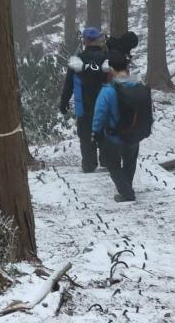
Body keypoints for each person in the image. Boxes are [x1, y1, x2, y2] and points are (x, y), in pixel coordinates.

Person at [91, 51, 142, 202]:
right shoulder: (137, 86)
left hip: (115, 135)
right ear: (127, 69)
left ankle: (126, 192)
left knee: (111, 162)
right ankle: (127, 187)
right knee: (130, 160)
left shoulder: (108, 90)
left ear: (112, 69)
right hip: (134, 134)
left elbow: (99, 114)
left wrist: (95, 132)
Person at [60, 27, 108, 172]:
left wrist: (64, 102)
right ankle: (108, 161)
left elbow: (68, 84)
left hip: (84, 106)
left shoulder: (77, 61)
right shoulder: (107, 58)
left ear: (85, 41)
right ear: (98, 40)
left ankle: (88, 164)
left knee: (86, 136)